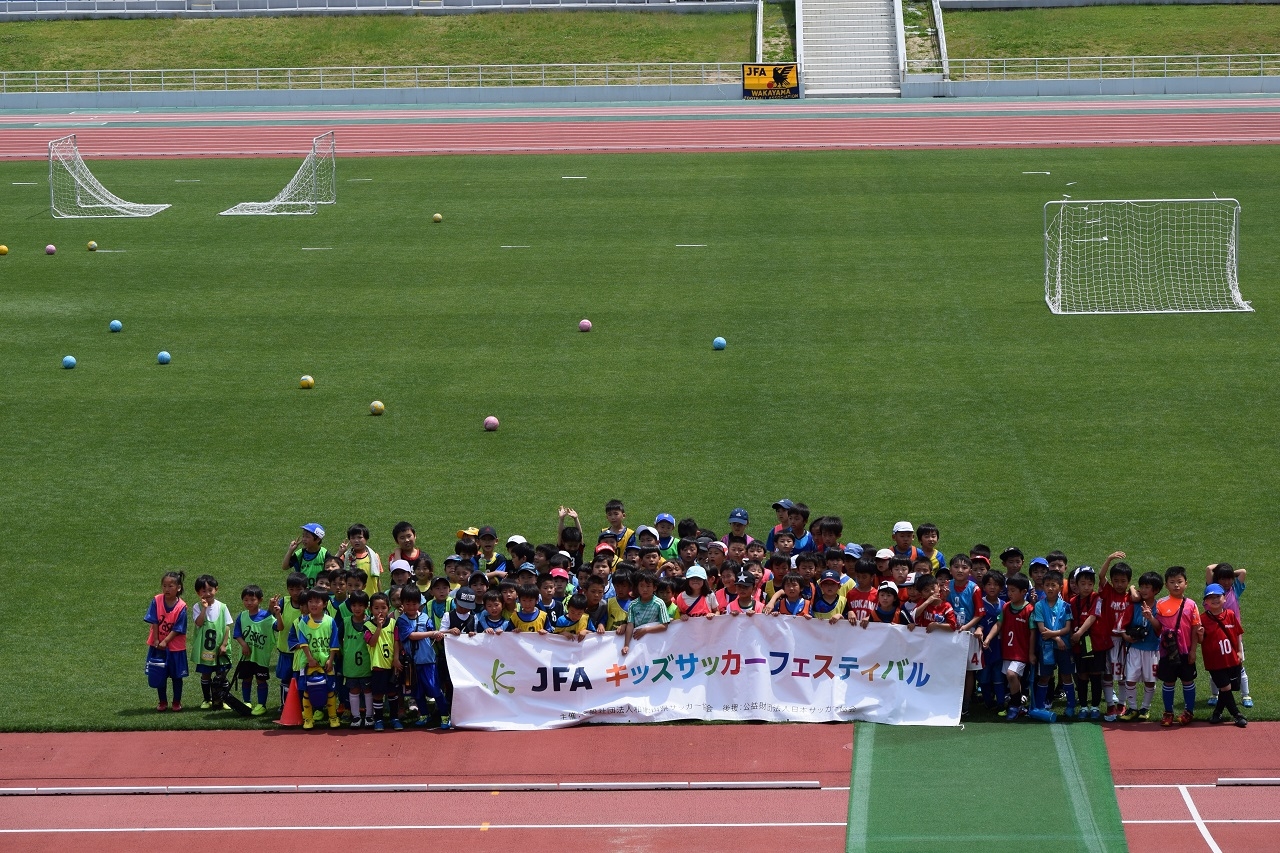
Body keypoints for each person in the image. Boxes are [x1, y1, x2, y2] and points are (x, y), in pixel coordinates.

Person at [1148, 565, 1202, 727]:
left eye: (1180, 581)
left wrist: (1193, 651)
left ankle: (1188, 712)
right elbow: (1158, 628)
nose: (1176, 585)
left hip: (1185, 652)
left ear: (1186, 583)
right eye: (1172, 582)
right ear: (1166, 585)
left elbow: (1195, 628)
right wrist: (1150, 618)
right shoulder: (1161, 604)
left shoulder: (1191, 604)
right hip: (1167, 653)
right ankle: (1168, 712)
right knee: (1169, 683)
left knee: (1188, 681)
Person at [396, 584, 451, 730]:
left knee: (434, 690)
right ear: (402, 603)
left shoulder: (425, 618)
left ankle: (445, 715)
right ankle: (424, 715)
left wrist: (438, 634)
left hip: (428, 661)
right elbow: (411, 636)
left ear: (419, 603)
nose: (411, 607)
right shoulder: (401, 621)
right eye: (407, 603)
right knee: (417, 692)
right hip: (412, 664)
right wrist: (432, 633)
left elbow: (434, 633)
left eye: (414, 603)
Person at [289, 590, 341, 729]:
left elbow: (334, 642)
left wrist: (330, 660)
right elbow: (303, 642)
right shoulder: (303, 622)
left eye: (317, 601)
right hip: (307, 663)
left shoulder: (330, 621)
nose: (313, 604)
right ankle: (308, 719)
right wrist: (310, 659)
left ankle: (333, 717)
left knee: (330, 690)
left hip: (326, 662)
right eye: (310, 601)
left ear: (324, 604)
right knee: (308, 690)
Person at [988, 574, 1035, 720]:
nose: (1010, 593)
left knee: (1011, 674)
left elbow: (1033, 633)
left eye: (1013, 590)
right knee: (1013, 679)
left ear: (1023, 592)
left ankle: (1014, 705)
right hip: (1007, 651)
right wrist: (988, 638)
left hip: (1020, 653)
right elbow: (999, 624)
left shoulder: (1029, 610)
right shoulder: (1006, 607)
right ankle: (1019, 706)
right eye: (1008, 590)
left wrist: (1031, 653)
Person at [1118, 572, 1163, 723]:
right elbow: (1122, 626)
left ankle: (1145, 708)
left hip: (1152, 650)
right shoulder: (1133, 607)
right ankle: (1132, 708)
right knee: (1130, 679)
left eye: (1147, 587)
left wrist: (1151, 618)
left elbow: (1159, 630)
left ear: (1155, 590)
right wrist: (1126, 637)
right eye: (1141, 587)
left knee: (1150, 680)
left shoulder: (1159, 607)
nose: (1143, 590)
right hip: (1134, 649)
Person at [1200, 584, 1247, 727]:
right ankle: (1237, 715)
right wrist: (1200, 635)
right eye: (1210, 597)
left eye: (1217, 596)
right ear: (1205, 602)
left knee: (1229, 687)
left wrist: (1239, 651)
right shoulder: (1202, 619)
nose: (1214, 600)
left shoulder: (1231, 615)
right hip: (1215, 662)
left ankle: (1217, 713)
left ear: (1224, 598)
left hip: (1232, 659)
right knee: (1225, 688)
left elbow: (1238, 634)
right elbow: (1200, 641)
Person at [1205, 562, 1251, 709]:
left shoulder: (1235, 588)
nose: (1227, 582)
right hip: (1215, 638)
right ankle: (1214, 695)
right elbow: (1208, 569)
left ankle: (1246, 695)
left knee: (1239, 665)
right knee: (1216, 668)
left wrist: (1228, 570)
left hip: (1233, 636)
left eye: (1229, 578)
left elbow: (1243, 571)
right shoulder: (1212, 590)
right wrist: (1221, 570)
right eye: (1223, 578)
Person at [1096, 556, 1136, 721]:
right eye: (1116, 580)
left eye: (1123, 581)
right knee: (1107, 673)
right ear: (1112, 581)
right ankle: (1110, 705)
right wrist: (1109, 559)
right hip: (1108, 641)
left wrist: (1132, 589)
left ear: (1128, 581)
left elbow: (1136, 597)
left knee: (1123, 674)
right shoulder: (1108, 592)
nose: (1119, 584)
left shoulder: (1130, 597)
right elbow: (1101, 576)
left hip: (1124, 642)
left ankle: (1121, 703)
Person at [1032, 569, 1076, 715]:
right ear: (1043, 587)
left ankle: (1070, 706)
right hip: (1047, 647)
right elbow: (1041, 628)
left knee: (1066, 676)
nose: (1050, 588)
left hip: (1064, 647)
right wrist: (1057, 638)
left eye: (1053, 585)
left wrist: (1054, 635)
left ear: (1060, 587)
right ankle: (1039, 706)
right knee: (1045, 676)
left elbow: (1068, 628)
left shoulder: (1066, 606)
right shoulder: (1039, 606)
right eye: (1047, 585)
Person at [145, 570, 188, 712]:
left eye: (170, 586)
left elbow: (178, 628)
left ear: (178, 588)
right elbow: (154, 621)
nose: (166, 589)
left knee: (177, 676)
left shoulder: (181, 606)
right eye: (164, 586)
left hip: (175, 648)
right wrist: (157, 639)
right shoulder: (156, 600)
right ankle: (162, 701)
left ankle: (176, 701)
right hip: (158, 646)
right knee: (159, 673)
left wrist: (166, 641)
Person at [1068, 566, 1106, 720]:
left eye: (1090, 584)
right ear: (1076, 584)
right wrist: (1072, 635)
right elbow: (1069, 620)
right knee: (1082, 675)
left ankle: (1095, 707)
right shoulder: (1072, 601)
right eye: (1082, 584)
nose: (1086, 587)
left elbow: (1092, 617)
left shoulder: (1097, 598)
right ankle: (1083, 706)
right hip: (1079, 645)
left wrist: (1078, 633)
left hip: (1095, 644)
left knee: (1096, 675)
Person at [190, 574, 233, 711]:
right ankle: (207, 699)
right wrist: (204, 608)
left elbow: (227, 627)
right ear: (198, 593)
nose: (207, 594)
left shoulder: (222, 607)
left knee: (222, 675)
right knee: (206, 675)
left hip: (220, 648)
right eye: (203, 591)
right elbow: (199, 622)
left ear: (216, 589)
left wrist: (224, 644)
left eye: (210, 590)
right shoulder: (197, 607)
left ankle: (223, 699)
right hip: (205, 649)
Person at [233, 584, 274, 716]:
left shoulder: (267, 616)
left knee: (261, 680)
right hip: (246, 656)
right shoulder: (242, 616)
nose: (249, 603)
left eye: (252, 599)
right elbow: (237, 633)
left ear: (260, 600)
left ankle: (262, 705)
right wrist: (244, 645)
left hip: (261, 656)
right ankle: (247, 702)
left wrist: (275, 613)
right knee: (246, 679)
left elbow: (279, 627)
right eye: (246, 600)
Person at [365, 592, 401, 731]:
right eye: (376, 608)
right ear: (370, 609)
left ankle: (394, 718)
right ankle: (379, 719)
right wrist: (378, 628)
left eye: (383, 608)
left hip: (391, 665)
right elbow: (372, 643)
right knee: (378, 694)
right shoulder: (368, 625)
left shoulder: (393, 623)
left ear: (388, 608)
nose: (380, 611)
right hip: (378, 665)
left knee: (392, 693)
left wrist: (396, 658)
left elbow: (396, 641)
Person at [340, 591, 375, 728]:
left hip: (367, 665)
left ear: (366, 606)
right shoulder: (346, 622)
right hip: (350, 666)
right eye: (354, 605)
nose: (357, 608)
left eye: (360, 605)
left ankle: (369, 715)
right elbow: (338, 640)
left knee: (368, 690)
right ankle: (355, 717)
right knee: (353, 690)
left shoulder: (370, 623)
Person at [975, 572, 1005, 711]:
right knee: (984, 675)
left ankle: (1000, 702)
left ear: (1001, 588)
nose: (992, 587)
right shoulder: (979, 602)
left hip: (999, 646)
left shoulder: (1004, 605)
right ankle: (988, 701)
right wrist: (979, 630)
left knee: (998, 675)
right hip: (982, 647)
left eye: (996, 585)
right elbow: (977, 622)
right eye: (989, 584)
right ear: (984, 586)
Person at [621, 571, 670, 655]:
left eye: (648, 586)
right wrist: (626, 645)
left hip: (654, 642)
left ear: (654, 588)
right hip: (637, 641)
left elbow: (664, 625)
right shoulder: (633, 604)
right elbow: (630, 625)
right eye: (641, 586)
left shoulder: (659, 603)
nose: (645, 589)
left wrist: (645, 630)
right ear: (637, 587)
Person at [339, 524, 383, 595]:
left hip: (371, 597)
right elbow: (331, 566)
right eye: (353, 538)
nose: (356, 540)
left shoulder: (374, 556)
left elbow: (377, 578)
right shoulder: (345, 556)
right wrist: (340, 552)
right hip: (353, 599)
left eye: (360, 537)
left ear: (366, 539)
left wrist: (381, 594)